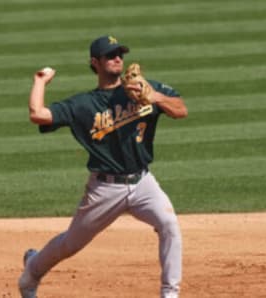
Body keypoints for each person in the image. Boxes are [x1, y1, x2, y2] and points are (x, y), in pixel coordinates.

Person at [19, 35, 188, 298]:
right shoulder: (84, 104)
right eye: (110, 55)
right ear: (95, 63)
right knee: (70, 244)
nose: (117, 58)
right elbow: (37, 114)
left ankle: (170, 294)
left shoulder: (143, 89)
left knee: (169, 225)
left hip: (144, 183)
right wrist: (40, 81)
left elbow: (181, 110)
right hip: (104, 189)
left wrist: (154, 96)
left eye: (120, 53)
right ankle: (31, 272)